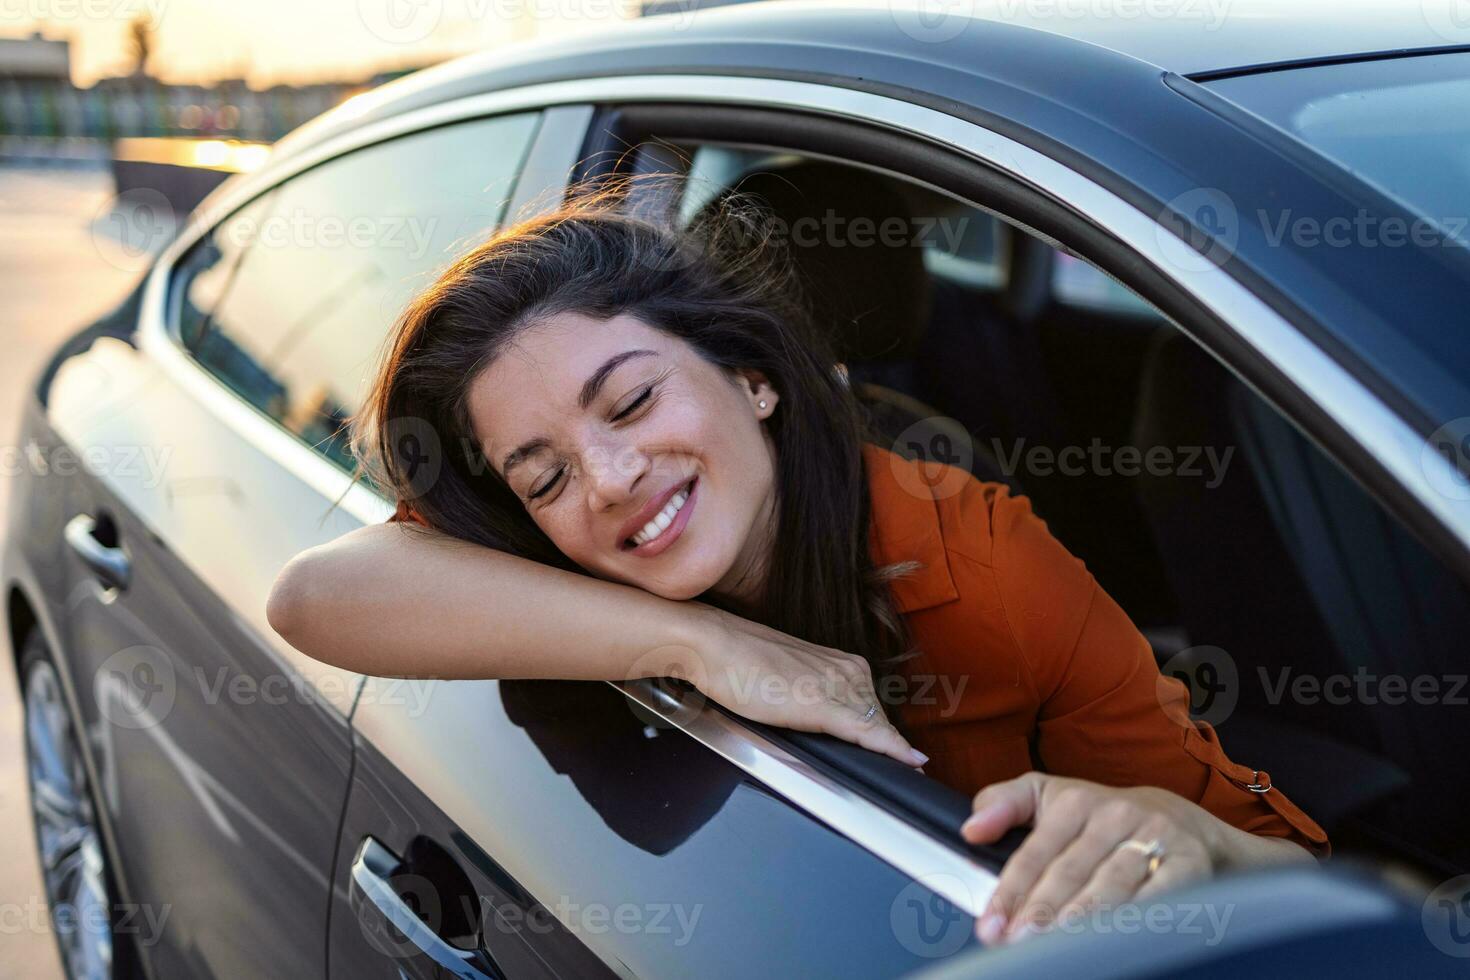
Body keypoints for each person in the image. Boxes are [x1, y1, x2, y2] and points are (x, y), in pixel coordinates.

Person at [266, 172, 1327, 946]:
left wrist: (1169, 828)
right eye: (542, 477)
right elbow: (311, 594)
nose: (606, 479)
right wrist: (704, 638)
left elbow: (1292, 867)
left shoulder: (974, 555)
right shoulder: (543, 565)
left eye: (632, 400)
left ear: (755, 378)